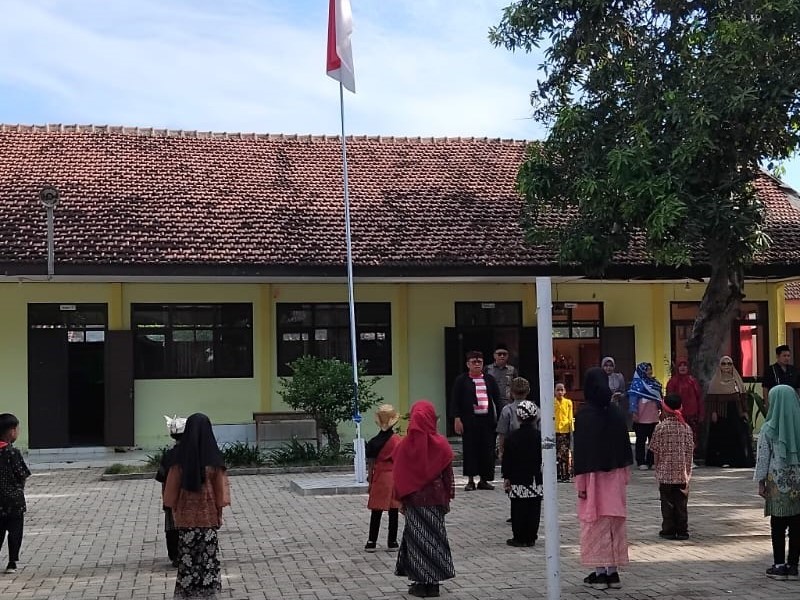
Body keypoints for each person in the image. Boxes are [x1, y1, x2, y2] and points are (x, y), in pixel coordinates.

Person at [574, 368, 633, 590]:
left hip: (592, 481)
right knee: (614, 527)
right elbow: (625, 449)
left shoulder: (585, 415)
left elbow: (581, 453)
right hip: (615, 479)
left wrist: (580, 485)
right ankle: (613, 573)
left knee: (594, 526)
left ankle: (599, 573)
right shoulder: (616, 413)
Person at [163, 413, 231, 599]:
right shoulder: (214, 460)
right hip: (208, 520)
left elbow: (170, 494)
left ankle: (187, 592)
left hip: (186, 520)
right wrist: (218, 515)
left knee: (187, 559)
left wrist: (175, 513)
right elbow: (221, 494)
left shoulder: (179, 459)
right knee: (207, 558)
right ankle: (207, 592)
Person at [394, 400, 456, 598]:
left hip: (414, 501)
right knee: (435, 539)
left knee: (417, 540)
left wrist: (400, 500)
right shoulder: (442, 445)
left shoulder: (404, 446)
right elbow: (448, 476)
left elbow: (399, 475)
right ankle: (433, 583)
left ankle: (420, 583)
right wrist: (447, 498)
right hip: (436, 499)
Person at [754, 385, 800, 580]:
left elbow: (763, 458)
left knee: (778, 525)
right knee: (797, 525)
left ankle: (779, 565)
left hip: (777, 484)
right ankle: (793, 566)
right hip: (798, 484)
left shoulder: (768, 429)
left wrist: (760, 483)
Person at [451, 350, 503, 491]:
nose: (477, 364)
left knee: (487, 450)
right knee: (470, 450)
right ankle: (470, 480)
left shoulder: (489, 379)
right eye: (474, 362)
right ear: (468, 364)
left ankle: (484, 480)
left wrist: (500, 418)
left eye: (479, 362)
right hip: (469, 421)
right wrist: (457, 418)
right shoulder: (461, 380)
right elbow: (455, 401)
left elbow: (497, 400)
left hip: (487, 421)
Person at [649, 394, 694, 541]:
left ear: (664, 409)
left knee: (667, 503)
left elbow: (655, 451)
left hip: (665, 473)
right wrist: (688, 471)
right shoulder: (686, 427)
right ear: (681, 407)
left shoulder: (660, 428)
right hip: (682, 473)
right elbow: (690, 451)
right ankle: (682, 530)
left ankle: (668, 530)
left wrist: (657, 469)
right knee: (681, 504)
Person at [501, 400, 543, 547]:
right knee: (534, 508)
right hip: (535, 478)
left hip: (517, 478)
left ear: (518, 417)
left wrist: (506, 477)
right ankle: (531, 536)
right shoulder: (540, 437)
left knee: (518, 508)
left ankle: (519, 537)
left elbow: (507, 460)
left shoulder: (512, 437)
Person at [364, 404, 402, 552]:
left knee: (376, 510)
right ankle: (392, 542)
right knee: (393, 510)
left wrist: (370, 479)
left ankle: (371, 541)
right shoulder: (398, 441)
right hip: (393, 476)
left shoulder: (373, 442)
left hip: (379, 476)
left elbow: (371, 464)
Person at [705, 357, 754, 468]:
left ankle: (737, 461)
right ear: (720, 366)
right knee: (721, 437)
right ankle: (720, 460)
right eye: (723, 364)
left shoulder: (737, 380)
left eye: (729, 363)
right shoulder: (715, 381)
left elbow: (742, 397)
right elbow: (712, 399)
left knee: (737, 436)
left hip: (735, 412)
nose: (726, 366)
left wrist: (745, 411)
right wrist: (713, 412)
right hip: (721, 413)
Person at [0, 414, 31, 575]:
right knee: (15, 532)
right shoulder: (12, 453)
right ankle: (12, 563)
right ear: (12, 431)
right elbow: (22, 474)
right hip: (14, 501)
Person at [156, 415, 187, 567]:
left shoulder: (169, 455)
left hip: (171, 495)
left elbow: (161, 477)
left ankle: (175, 555)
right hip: (188, 496)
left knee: (172, 525)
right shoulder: (193, 453)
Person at [666, 359, 704, 458]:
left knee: (692, 436)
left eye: (685, 365)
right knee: (678, 436)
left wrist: (701, 413)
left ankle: (691, 457)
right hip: (677, 415)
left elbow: (699, 398)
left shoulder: (693, 381)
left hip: (692, 414)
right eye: (680, 365)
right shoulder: (672, 382)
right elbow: (669, 400)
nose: (683, 368)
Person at [628, 362, 662, 470]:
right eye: (647, 370)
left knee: (653, 440)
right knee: (641, 441)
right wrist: (634, 412)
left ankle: (651, 461)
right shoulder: (636, 385)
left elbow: (660, 399)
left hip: (654, 417)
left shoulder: (656, 384)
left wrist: (661, 409)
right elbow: (633, 400)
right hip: (641, 418)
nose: (649, 372)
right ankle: (641, 461)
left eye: (650, 369)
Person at [554, 382, 575, 482]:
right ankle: (557, 474)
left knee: (565, 454)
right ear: (554, 391)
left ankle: (566, 474)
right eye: (558, 390)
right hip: (555, 430)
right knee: (556, 454)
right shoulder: (552, 402)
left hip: (565, 430)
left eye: (561, 390)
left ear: (565, 391)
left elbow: (570, 416)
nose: (560, 392)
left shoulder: (568, 402)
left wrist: (572, 429)